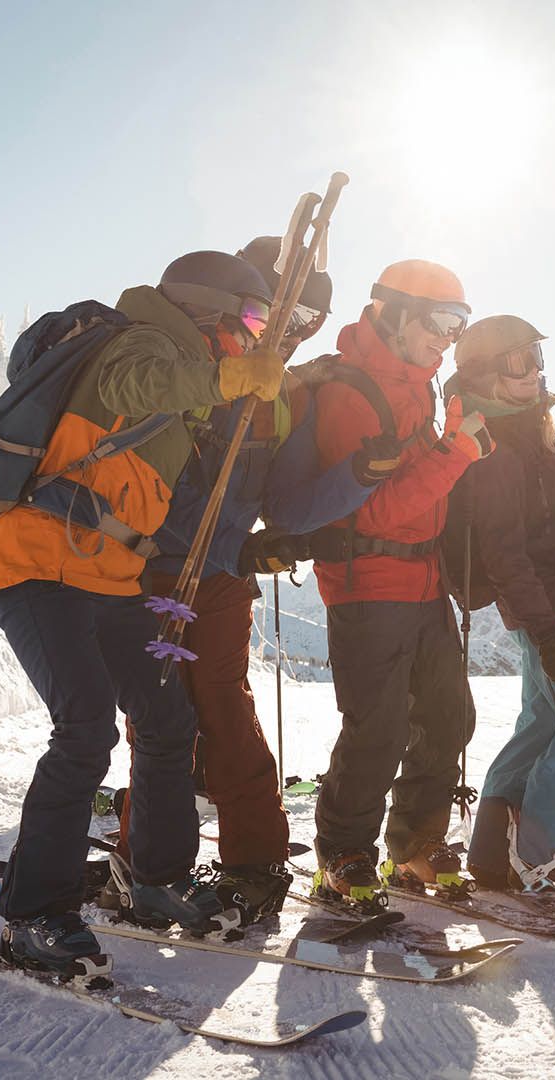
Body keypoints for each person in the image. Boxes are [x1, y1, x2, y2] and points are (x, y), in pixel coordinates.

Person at [0, 250, 287, 975]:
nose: (254, 336)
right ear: (206, 309)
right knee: (84, 729)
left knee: (167, 719)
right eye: (250, 318)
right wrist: (222, 377)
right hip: (39, 565)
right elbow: (135, 382)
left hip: (112, 578)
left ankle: (156, 879)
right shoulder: (143, 339)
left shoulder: (192, 377)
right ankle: (33, 916)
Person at [106, 237, 380, 922]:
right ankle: (149, 854)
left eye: (308, 321)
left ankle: (252, 859)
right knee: (160, 716)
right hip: (152, 569)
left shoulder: (287, 395)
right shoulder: (195, 363)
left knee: (221, 707)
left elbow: (285, 503)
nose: (292, 331)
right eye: (280, 316)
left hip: (219, 574)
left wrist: (358, 477)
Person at [305, 259, 492, 905]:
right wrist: (455, 451)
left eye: (459, 325)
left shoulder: (422, 384)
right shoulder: (349, 393)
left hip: (422, 579)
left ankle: (414, 849)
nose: (449, 336)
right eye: (442, 321)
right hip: (367, 580)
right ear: (394, 313)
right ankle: (343, 856)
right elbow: (372, 511)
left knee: (447, 717)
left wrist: (451, 437)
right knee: (378, 728)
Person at [442, 316, 555, 894]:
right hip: (546, 609)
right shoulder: (495, 451)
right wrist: (548, 634)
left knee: (543, 724)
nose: (535, 369)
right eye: (519, 360)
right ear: (484, 373)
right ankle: (542, 855)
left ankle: (496, 852)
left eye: (537, 356)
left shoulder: (529, 432)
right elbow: (507, 555)